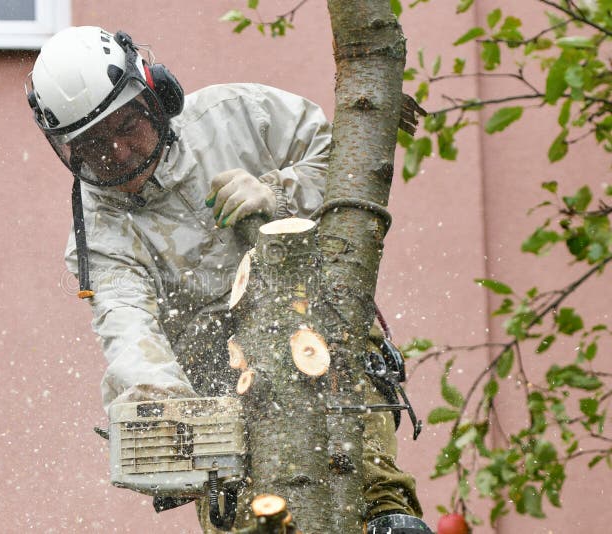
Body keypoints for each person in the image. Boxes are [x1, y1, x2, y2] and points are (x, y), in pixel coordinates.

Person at [27, 25, 432, 534]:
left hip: (312, 327)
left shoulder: (234, 115)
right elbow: (127, 328)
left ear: (156, 97)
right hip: (215, 383)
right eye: (95, 146)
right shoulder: (101, 231)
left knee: (359, 474)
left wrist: (279, 191)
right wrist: (162, 402)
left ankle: (385, 511)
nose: (121, 152)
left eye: (126, 127)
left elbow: (346, 158)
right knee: (247, 515)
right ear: (70, 152)